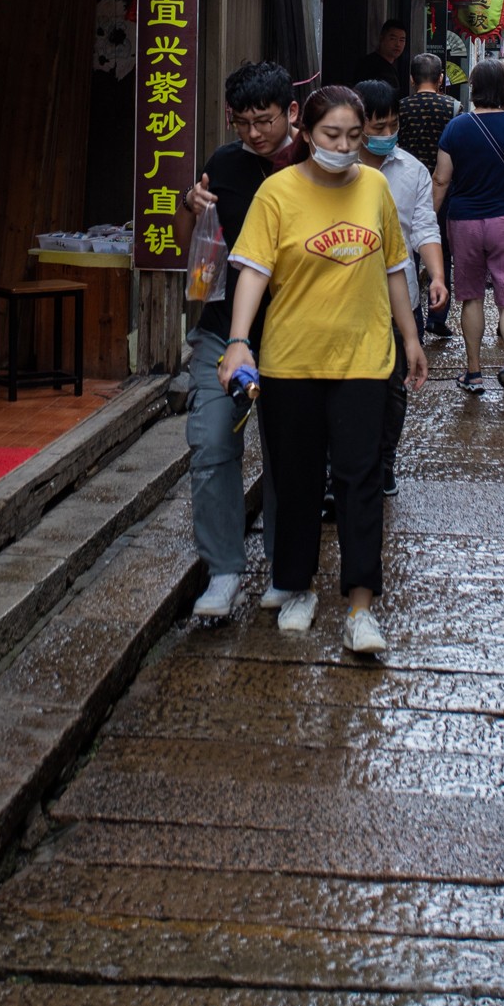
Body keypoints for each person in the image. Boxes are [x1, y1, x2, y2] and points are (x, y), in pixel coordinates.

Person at [221, 86, 427, 656]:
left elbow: (392, 268)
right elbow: (254, 272)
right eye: (332, 136)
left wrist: (410, 337)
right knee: (297, 478)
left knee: (361, 480)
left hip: (364, 357)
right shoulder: (277, 192)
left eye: (354, 137)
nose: (343, 147)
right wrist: (239, 342)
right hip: (291, 360)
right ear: (307, 134)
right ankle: (297, 586)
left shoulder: (377, 187)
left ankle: (361, 608)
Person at [177, 60, 298, 621]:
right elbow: (194, 247)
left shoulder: (311, 162)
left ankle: (285, 569)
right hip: (222, 331)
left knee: (288, 455)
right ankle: (223, 572)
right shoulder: (223, 164)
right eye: (243, 122)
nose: (254, 133)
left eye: (265, 120)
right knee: (211, 444)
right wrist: (190, 211)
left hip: (295, 336)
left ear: (290, 113)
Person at [432, 59, 504, 404]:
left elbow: (441, 179)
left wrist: (427, 221)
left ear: (473, 87)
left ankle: (473, 370)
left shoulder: (456, 128)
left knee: (471, 296)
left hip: (465, 220)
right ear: (503, 89)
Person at [354, 78, 448, 495]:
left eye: (392, 125)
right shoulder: (334, 168)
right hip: (347, 297)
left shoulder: (411, 170)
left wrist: (438, 275)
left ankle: (385, 462)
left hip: (400, 295)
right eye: (377, 128)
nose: (386, 135)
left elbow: (423, 226)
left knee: (395, 386)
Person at [397, 52, 456, 338]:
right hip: (442, 189)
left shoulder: (401, 108)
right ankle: (437, 313)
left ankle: (410, 306)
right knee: (440, 249)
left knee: (407, 249)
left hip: (406, 184)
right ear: (441, 79)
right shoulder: (454, 107)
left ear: (411, 79)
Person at [357, 17, 408, 91]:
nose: (398, 44)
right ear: (381, 38)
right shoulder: (369, 65)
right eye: (392, 39)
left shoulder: (392, 67)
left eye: (402, 40)